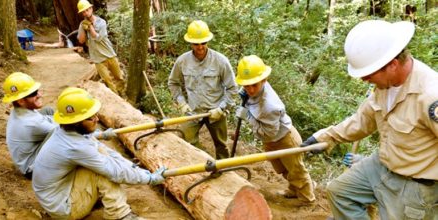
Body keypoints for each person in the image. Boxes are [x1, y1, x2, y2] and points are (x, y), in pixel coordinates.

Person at [301, 20, 437, 219]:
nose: (364, 80)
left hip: (415, 183)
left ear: (392, 65)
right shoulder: (384, 86)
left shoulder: (430, 95)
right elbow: (361, 121)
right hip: (382, 164)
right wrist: (324, 137)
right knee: (340, 193)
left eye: (368, 75)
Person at [32, 87, 165, 220]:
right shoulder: (76, 147)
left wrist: (135, 169)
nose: (96, 119)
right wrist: (148, 179)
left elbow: (105, 151)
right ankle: (119, 215)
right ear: (76, 122)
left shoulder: (67, 131)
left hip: (57, 195)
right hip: (64, 208)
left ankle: (97, 199)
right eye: (90, 118)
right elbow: (114, 171)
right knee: (102, 171)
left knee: (101, 155)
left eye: (95, 114)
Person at [234, 55, 315, 203]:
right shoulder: (254, 84)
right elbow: (249, 84)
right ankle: (293, 190)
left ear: (264, 80)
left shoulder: (270, 106)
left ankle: (307, 200)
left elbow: (269, 133)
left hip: (284, 139)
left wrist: (248, 117)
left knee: (297, 172)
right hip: (270, 140)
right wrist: (244, 92)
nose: (250, 89)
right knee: (283, 169)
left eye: (254, 85)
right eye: (247, 85)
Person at [168, 20, 238, 159]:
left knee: (221, 145)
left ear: (208, 41)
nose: (200, 47)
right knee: (185, 139)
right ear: (190, 43)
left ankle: (225, 172)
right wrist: (181, 103)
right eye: (196, 44)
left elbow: (232, 88)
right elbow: (173, 83)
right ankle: (205, 161)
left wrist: (221, 108)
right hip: (193, 111)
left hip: (215, 111)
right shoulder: (182, 61)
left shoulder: (220, 61)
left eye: (203, 43)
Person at [2, 72, 57, 179]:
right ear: (21, 101)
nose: (39, 95)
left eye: (37, 91)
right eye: (34, 93)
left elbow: (46, 120)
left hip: (26, 157)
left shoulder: (20, 111)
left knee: (48, 110)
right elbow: (66, 132)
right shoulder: (32, 123)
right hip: (33, 169)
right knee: (62, 134)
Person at [77, 0, 125, 95]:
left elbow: (98, 38)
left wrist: (90, 27)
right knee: (107, 80)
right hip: (97, 58)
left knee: (118, 77)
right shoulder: (83, 24)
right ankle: (116, 98)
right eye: (83, 12)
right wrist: (83, 28)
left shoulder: (101, 22)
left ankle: (122, 94)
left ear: (91, 9)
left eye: (87, 10)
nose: (86, 13)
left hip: (109, 54)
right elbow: (81, 40)